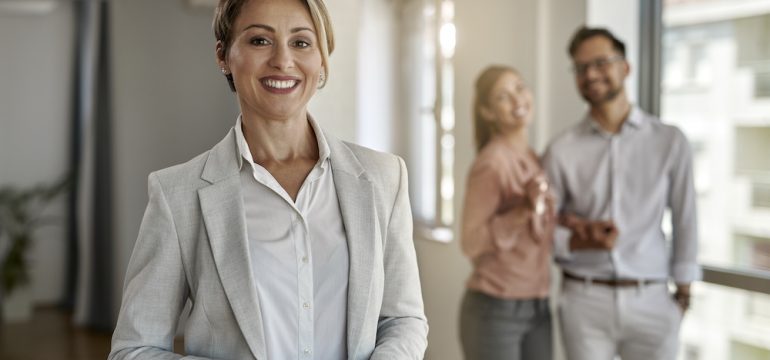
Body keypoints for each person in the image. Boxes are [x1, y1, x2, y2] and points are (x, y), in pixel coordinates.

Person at [108, 0, 428, 358]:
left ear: (322, 59)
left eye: (301, 42)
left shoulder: (384, 178)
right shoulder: (177, 195)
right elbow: (133, 349)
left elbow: (403, 319)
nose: (283, 60)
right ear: (223, 55)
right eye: (260, 40)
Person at [542, 26, 699, 360]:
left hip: (653, 300)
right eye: (581, 68)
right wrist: (581, 240)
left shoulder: (669, 141)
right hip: (584, 301)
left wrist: (682, 295)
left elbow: (686, 220)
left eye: (601, 62)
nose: (591, 74)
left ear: (625, 67)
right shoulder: (561, 150)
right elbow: (543, 230)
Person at [459, 65, 556, 360]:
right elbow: (470, 242)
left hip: (537, 304)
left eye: (520, 87)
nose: (517, 100)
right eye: (503, 96)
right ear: (488, 112)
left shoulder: (533, 158)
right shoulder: (492, 163)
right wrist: (521, 212)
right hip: (496, 308)